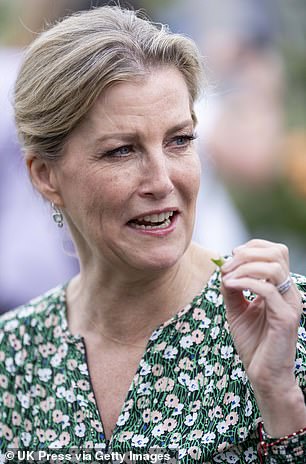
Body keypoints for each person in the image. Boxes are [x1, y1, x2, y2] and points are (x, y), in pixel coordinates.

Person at [0, 6, 305, 463]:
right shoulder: (15, 354)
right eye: (122, 150)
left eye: (179, 141)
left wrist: (280, 399)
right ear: (46, 175)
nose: (162, 181)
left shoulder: (285, 324)